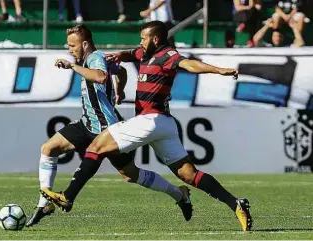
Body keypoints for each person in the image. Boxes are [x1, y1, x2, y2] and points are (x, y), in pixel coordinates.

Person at [41, 21, 253, 232]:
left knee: (96, 146)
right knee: (189, 175)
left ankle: (68, 196)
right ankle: (235, 204)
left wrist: (218, 70)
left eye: (143, 38)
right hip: (164, 125)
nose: (140, 42)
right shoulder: (144, 53)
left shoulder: (167, 55)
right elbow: (130, 54)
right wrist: (120, 56)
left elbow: (189, 64)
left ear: (156, 39)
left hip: (151, 119)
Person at [26, 24, 192, 227]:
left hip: (107, 127)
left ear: (85, 44)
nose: (69, 49)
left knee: (131, 174)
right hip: (88, 123)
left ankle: (179, 194)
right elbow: (120, 71)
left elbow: (101, 76)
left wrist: (73, 67)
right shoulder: (90, 59)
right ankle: (44, 205)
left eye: (73, 45)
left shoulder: (95, 57)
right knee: (48, 149)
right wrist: (119, 90)